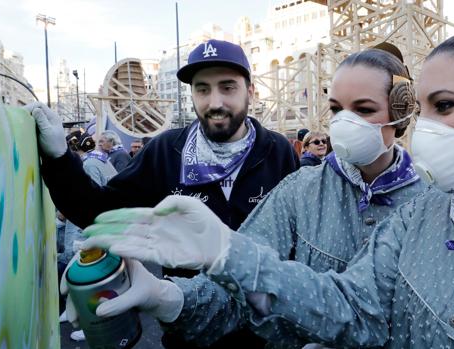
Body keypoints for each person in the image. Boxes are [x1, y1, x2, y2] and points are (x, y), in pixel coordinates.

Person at [81, 18, 454, 348]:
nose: (429, 128)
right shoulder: (423, 218)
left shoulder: (422, 204)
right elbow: (356, 309)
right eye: (335, 108)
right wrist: (209, 267)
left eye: (443, 107)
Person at [74, 46, 424, 347]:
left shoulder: (432, 205)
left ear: (402, 112)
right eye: (336, 110)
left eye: (363, 110)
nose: (345, 123)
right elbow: (235, 290)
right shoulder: (300, 189)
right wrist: (169, 297)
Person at [27, 38, 299, 348]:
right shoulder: (166, 151)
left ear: (250, 91)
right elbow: (100, 212)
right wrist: (60, 158)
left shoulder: (278, 151)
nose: (214, 102)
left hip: (265, 333)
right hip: (190, 326)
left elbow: (297, 243)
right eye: (202, 89)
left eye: (228, 87)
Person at [58, 130, 118, 342]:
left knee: (91, 278)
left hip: (91, 229)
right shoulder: (101, 160)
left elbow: (89, 199)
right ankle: (74, 309)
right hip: (101, 227)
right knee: (85, 275)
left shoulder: (90, 164)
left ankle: (91, 322)